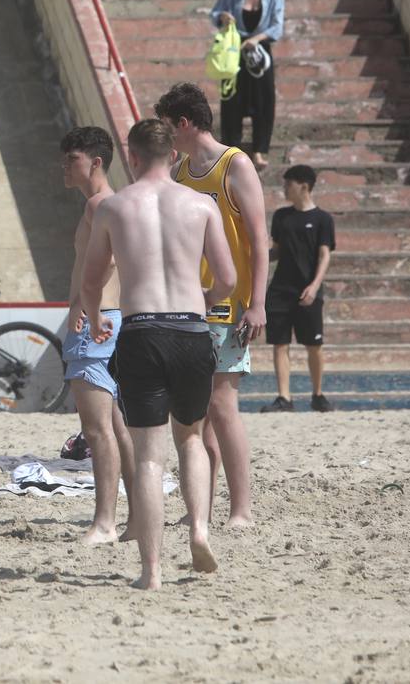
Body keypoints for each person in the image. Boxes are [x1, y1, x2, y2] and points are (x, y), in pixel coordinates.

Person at [80, 118, 237, 590]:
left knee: (149, 457)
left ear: (131, 155)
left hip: (142, 330)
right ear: (175, 156)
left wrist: (94, 316)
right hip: (190, 330)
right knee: (190, 438)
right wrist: (202, 302)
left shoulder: (113, 207)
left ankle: (151, 571)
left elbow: (91, 280)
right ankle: (199, 529)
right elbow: (227, 280)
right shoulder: (200, 204)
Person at [156, 82, 269, 528]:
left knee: (222, 407)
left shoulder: (234, 164)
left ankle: (241, 509)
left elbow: (260, 238)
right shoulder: (180, 171)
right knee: (194, 411)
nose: (165, 136)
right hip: (187, 305)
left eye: (168, 126)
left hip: (230, 304)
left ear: (183, 123)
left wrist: (257, 303)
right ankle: (198, 508)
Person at [59, 126, 136, 544]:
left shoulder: (98, 204)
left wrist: (80, 306)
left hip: (96, 319)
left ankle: (106, 520)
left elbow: (104, 263)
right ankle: (135, 516)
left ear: (96, 161)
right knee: (117, 424)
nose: (65, 167)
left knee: (97, 429)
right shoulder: (116, 202)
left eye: (72, 159)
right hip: (111, 316)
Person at [264, 165, 336, 412]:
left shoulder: (323, 219)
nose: (284, 188)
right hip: (281, 289)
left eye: (288, 184)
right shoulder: (281, 217)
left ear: (304, 186)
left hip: (309, 290)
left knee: (314, 344)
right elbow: (277, 251)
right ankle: (284, 397)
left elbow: (325, 255)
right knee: (280, 343)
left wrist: (315, 286)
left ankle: (317, 394)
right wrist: (255, 257)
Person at [211, 0, 285, 171]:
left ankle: (259, 149)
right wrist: (223, 18)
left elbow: (277, 26)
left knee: (264, 100)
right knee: (232, 99)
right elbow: (215, 14)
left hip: (259, 52)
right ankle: (230, 148)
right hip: (235, 50)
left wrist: (257, 38)